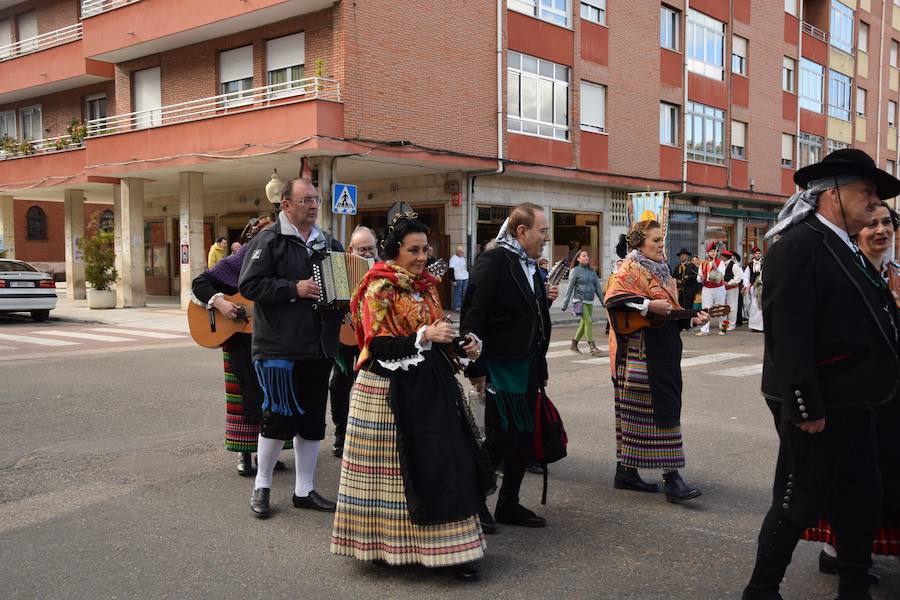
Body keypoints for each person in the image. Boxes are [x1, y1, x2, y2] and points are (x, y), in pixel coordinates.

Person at [742, 149, 900, 600]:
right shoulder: (799, 246)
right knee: (798, 500)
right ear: (832, 195)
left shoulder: (844, 244)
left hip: (859, 401)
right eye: (865, 192)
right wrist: (806, 407)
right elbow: (788, 337)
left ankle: (853, 585)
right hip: (820, 405)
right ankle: (761, 589)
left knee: (861, 498)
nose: (874, 203)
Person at [330, 214, 493, 582]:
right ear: (395, 251)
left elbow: (435, 329)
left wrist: (459, 342)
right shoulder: (378, 287)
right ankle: (382, 547)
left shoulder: (425, 286)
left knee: (443, 462)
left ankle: (452, 551)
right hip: (386, 391)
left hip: (430, 384)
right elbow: (378, 345)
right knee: (394, 474)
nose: (422, 256)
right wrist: (424, 336)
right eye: (414, 250)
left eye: (425, 249)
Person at [803, 202, 900, 584]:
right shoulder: (848, 272)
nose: (881, 230)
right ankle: (838, 553)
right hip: (854, 394)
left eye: (887, 223)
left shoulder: (891, 272)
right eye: (872, 223)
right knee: (854, 477)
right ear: (856, 230)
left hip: (889, 392)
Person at [238, 177, 343, 518]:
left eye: (316, 200)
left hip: (319, 346)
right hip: (279, 348)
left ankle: (304, 490)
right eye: (306, 200)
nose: (313, 206)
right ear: (286, 205)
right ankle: (262, 486)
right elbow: (249, 284)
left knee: (313, 421)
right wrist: (292, 289)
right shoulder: (268, 240)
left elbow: (340, 287)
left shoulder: (329, 243)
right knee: (277, 419)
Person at [462, 202, 559, 531]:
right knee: (499, 439)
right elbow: (474, 313)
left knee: (522, 438)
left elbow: (526, 313)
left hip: (527, 363)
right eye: (542, 231)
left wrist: (540, 358)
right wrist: (475, 366)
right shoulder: (495, 261)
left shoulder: (529, 264)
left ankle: (509, 503)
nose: (546, 237)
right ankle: (474, 502)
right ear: (522, 231)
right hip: (502, 364)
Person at [605, 220, 708, 503]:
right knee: (657, 412)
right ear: (639, 244)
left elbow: (670, 314)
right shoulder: (628, 269)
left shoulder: (665, 273)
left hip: (664, 351)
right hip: (640, 355)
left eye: (662, 241)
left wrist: (691, 317)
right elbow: (614, 299)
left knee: (651, 411)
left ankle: (625, 471)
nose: (662, 246)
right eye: (655, 241)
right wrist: (648, 305)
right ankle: (672, 478)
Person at [191, 217, 290, 476]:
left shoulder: (284, 262)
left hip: (272, 340)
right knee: (244, 398)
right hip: (239, 341)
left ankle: (266, 453)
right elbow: (200, 284)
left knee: (274, 394)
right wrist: (221, 303)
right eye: (267, 236)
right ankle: (244, 453)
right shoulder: (239, 261)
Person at [327, 225, 378, 458]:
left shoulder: (382, 269)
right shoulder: (339, 267)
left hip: (371, 337)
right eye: (362, 250)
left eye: (371, 249)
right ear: (351, 249)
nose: (368, 254)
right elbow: (330, 300)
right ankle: (341, 431)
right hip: (345, 336)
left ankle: (368, 434)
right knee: (340, 383)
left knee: (371, 385)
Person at [561, 249, 604, 356]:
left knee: (584, 324)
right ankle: (592, 346)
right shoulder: (575, 271)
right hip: (579, 301)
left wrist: (604, 302)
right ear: (578, 258)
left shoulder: (592, 272)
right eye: (583, 256)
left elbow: (598, 288)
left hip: (589, 301)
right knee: (588, 321)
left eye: (587, 256)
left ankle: (574, 344)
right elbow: (570, 288)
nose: (586, 257)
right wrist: (565, 304)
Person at [697, 243, 727, 335]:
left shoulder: (720, 262)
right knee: (705, 308)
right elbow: (698, 278)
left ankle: (723, 329)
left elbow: (722, 274)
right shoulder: (703, 263)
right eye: (711, 251)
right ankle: (704, 330)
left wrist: (715, 267)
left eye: (715, 251)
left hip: (719, 288)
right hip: (707, 288)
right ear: (708, 253)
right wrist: (700, 278)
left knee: (722, 308)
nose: (713, 253)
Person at [673, 248, 701, 317]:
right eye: (680, 255)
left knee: (689, 307)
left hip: (689, 290)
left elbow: (696, 276)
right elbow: (673, 277)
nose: (682, 256)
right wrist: (676, 280)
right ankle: (682, 323)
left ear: (687, 256)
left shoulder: (692, 266)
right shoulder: (677, 267)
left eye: (684, 255)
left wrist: (688, 277)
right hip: (680, 291)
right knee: (681, 307)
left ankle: (689, 321)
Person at [723, 250, 744, 331]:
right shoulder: (723, 265)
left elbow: (738, 278)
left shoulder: (734, 265)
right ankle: (725, 324)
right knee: (725, 307)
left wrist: (729, 283)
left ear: (724, 257)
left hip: (732, 288)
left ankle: (732, 324)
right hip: (723, 289)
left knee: (732, 306)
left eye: (722, 256)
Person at [745, 247, 764, 332]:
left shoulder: (764, 263)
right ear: (753, 255)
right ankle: (754, 326)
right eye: (756, 253)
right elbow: (746, 276)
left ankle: (761, 326)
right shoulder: (750, 265)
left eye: (759, 253)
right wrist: (746, 286)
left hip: (762, 287)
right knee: (753, 306)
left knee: (761, 305)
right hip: (753, 287)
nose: (758, 255)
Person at [449, 245, 470, 312]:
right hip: (458, 278)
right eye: (460, 252)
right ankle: (457, 307)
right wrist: (453, 280)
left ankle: (464, 307)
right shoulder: (453, 258)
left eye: (462, 252)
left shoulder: (463, 258)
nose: (462, 253)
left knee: (465, 293)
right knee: (458, 293)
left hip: (465, 277)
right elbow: (451, 270)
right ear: (457, 252)